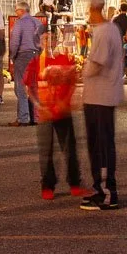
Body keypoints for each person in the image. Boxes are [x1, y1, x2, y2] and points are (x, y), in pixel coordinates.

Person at [24, 25, 83, 201]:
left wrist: (69, 101)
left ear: (56, 41)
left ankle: (75, 183)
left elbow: (73, 82)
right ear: (40, 42)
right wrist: (37, 105)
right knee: (46, 151)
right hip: (46, 113)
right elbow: (28, 86)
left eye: (51, 39)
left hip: (62, 111)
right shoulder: (35, 62)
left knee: (69, 149)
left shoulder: (66, 59)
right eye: (44, 39)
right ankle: (48, 185)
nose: (48, 42)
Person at [79, 0, 122, 210]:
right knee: (97, 144)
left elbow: (97, 63)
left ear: (94, 9)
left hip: (101, 97)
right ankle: (99, 187)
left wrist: (81, 72)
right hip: (99, 96)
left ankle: (107, 192)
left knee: (102, 145)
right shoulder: (108, 30)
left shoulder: (104, 32)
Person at [8, 2, 43, 125]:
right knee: (33, 87)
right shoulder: (38, 23)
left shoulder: (19, 23)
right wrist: (38, 53)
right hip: (35, 56)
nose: (16, 13)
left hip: (22, 56)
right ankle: (36, 117)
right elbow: (42, 41)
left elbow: (15, 42)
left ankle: (23, 118)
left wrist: (12, 57)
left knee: (20, 87)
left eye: (16, 10)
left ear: (21, 11)